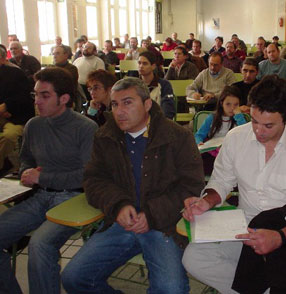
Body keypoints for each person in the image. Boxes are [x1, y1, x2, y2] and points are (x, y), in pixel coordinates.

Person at [182, 75, 286, 293]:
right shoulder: (236, 137)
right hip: (245, 224)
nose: (258, 131)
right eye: (255, 121)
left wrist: (279, 237)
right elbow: (221, 180)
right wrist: (207, 201)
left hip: (285, 231)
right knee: (194, 258)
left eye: (268, 125)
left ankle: (256, 284)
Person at [61, 77, 204, 294]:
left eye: (127, 102)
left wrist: (151, 214)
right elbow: (93, 180)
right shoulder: (105, 135)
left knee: (171, 290)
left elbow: (191, 186)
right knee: (74, 278)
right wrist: (118, 205)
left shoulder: (177, 136)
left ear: (147, 104)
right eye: (115, 104)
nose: (119, 111)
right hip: (121, 222)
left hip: (162, 224)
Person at [0, 67, 97, 294]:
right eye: (35, 95)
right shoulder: (34, 126)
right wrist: (27, 172)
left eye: (45, 95)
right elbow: (26, 159)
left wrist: (42, 176)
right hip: (41, 195)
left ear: (64, 99)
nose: (37, 101)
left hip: (74, 197)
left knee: (40, 244)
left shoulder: (85, 128)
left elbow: (87, 175)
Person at [195, 86, 248, 175]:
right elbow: (199, 134)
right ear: (221, 103)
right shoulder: (212, 118)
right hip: (214, 152)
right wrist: (199, 142)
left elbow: (246, 134)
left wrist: (239, 116)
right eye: (228, 104)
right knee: (203, 162)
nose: (232, 108)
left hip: (232, 153)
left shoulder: (239, 118)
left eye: (236, 105)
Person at [0, 45, 34, 174]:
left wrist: (7, 107)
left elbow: (24, 99)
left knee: (8, 136)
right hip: (3, 116)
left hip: (16, 117)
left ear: (2, 59)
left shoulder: (15, 73)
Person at [138, 51, 176, 119]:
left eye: (145, 63)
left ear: (153, 66)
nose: (141, 66)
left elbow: (168, 109)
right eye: (139, 63)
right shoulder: (133, 85)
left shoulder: (164, 85)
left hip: (159, 122)